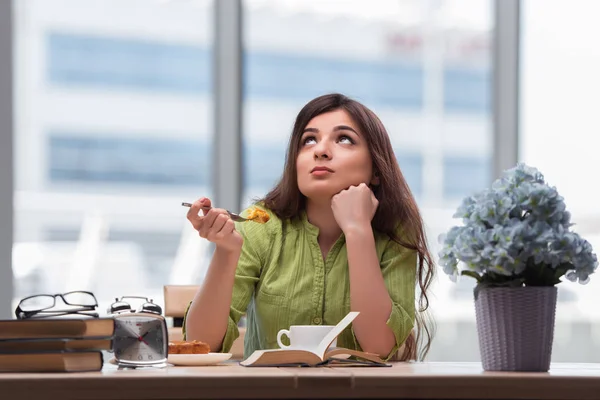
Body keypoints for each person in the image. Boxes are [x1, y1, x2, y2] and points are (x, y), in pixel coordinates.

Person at [183, 93, 435, 361]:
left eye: (344, 139)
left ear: (375, 169)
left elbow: (377, 346)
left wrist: (357, 230)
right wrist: (226, 251)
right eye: (309, 140)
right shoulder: (260, 223)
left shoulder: (395, 232)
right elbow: (202, 345)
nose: (320, 150)